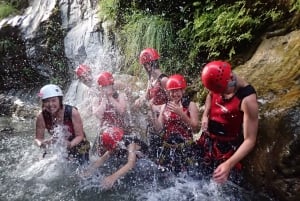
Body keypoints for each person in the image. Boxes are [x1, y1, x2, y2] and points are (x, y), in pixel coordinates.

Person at [196, 60, 258, 184]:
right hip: (208, 141)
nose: (221, 95)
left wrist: (228, 165)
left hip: (226, 149)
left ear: (231, 80)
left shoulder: (247, 100)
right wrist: (205, 114)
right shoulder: (218, 81)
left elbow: (250, 140)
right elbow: (210, 95)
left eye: (222, 91)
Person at [152, 74, 199, 173]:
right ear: (168, 92)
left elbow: (195, 128)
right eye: (171, 91)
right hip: (168, 148)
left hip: (185, 148)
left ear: (183, 90)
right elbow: (159, 129)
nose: (174, 94)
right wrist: (151, 115)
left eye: (177, 90)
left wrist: (181, 113)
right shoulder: (165, 106)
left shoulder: (190, 105)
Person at [35, 84, 90, 165]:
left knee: (83, 168)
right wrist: (42, 144)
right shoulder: (41, 116)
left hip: (79, 144)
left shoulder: (72, 112)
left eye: (53, 100)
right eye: (46, 101)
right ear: (43, 103)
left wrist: (70, 144)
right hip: (60, 145)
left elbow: (80, 136)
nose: (50, 105)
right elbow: (38, 138)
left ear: (60, 100)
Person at [82, 126, 148, 189]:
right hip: (132, 158)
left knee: (136, 167)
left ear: (116, 143)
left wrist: (113, 177)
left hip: (145, 160)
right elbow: (102, 158)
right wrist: (89, 170)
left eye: (113, 147)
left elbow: (131, 164)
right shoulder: (117, 142)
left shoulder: (131, 143)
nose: (112, 150)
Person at [134, 48, 169, 159]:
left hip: (162, 120)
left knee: (160, 150)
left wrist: (156, 107)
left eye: (148, 64)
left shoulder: (163, 80)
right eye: (145, 65)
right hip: (152, 118)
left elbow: (172, 102)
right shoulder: (151, 79)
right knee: (153, 148)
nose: (147, 67)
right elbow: (147, 96)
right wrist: (140, 100)